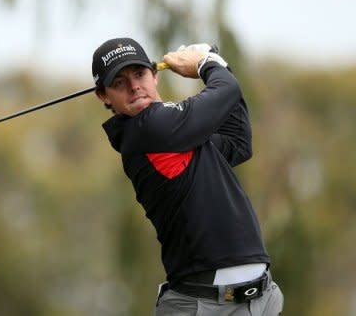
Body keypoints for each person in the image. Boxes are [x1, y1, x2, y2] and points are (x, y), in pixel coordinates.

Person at [92, 37, 284, 315]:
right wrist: (208, 63)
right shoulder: (145, 131)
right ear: (104, 95)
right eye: (119, 82)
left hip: (260, 299)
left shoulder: (177, 133)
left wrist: (219, 66)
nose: (134, 86)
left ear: (154, 74)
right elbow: (225, 92)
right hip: (203, 306)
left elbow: (237, 142)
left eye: (139, 73)